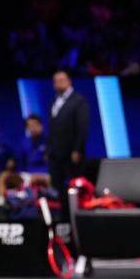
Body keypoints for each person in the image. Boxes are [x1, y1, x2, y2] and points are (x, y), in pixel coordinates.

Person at [47, 70, 89, 208]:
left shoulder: (79, 101)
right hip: (56, 155)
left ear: (69, 81)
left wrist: (77, 149)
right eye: (55, 81)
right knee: (57, 191)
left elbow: (82, 127)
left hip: (71, 154)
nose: (58, 83)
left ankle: (75, 217)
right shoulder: (55, 101)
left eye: (61, 80)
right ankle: (61, 218)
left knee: (74, 188)